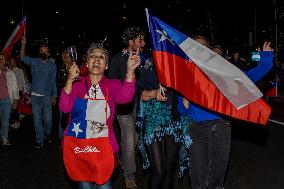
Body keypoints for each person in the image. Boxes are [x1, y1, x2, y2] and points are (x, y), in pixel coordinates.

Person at [178, 35, 274, 189]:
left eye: (202, 45)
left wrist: (267, 58)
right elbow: (182, 111)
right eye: (195, 46)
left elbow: (249, 77)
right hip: (198, 128)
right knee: (199, 178)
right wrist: (185, 101)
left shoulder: (222, 73)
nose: (198, 48)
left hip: (222, 127)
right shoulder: (187, 74)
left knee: (217, 177)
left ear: (208, 50)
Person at [59, 43, 140, 189]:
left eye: (101, 57)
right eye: (93, 56)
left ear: (106, 65)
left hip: (104, 148)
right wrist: (70, 80)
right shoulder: (77, 85)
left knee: (104, 186)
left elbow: (125, 97)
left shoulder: (112, 85)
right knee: (85, 186)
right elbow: (64, 108)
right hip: (80, 147)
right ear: (87, 63)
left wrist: (129, 72)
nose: (97, 59)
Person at [108, 26, 146, 189]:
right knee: (129, 143)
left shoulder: (144, 58)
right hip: (123, 109)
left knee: (135, 140)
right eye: (140, 40)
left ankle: (124, 160)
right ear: (131, 42)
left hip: (140, 105)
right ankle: (129, 177)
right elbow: (112, 85)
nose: (143, 43)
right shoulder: (116, 59)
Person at [20, 36, 57, 148]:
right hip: (35, 96)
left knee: (48, 120)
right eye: (41, 51)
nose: (43, 53)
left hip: (47, 96)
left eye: (45, 51)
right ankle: (39, 139)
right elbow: (22, 57)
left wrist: (54, 96)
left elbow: (53, 81)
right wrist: (23, 44)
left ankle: (47, 133)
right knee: (36, 120)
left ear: (49, 53)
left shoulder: (52, 65)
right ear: (39, 52)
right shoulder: (34, 61)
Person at [0, 52, 19, 146]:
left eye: (3, 58)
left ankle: (5, 138)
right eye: (0, 58)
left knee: (5, 120)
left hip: (7, 100)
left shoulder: (10, 73)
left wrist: (16, 99)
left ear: (5, 60)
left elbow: (15, 86)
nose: (1, 60)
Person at [9, 55, 30, 129]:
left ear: (15, 62)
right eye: (10, 61)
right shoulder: (8, 71)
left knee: (15, 106)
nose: (12, 63)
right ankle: (16, 120)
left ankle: (17, 121)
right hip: (11, 91)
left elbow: (23, 81)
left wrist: (25, 91)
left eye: (13, 61)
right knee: (14, 107)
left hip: (19, 90)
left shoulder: (19, 70)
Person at [57, 50, 73, 142]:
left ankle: (71, 137)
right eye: (65, 57)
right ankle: (61, 137)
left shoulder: (75, 68)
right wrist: (68, 82)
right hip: (64, 97)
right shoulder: (61, 69)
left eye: (69, 57)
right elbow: (58, 83)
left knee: (72, 118)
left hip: (74, 97)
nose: (67, 59)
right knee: (63, 117)